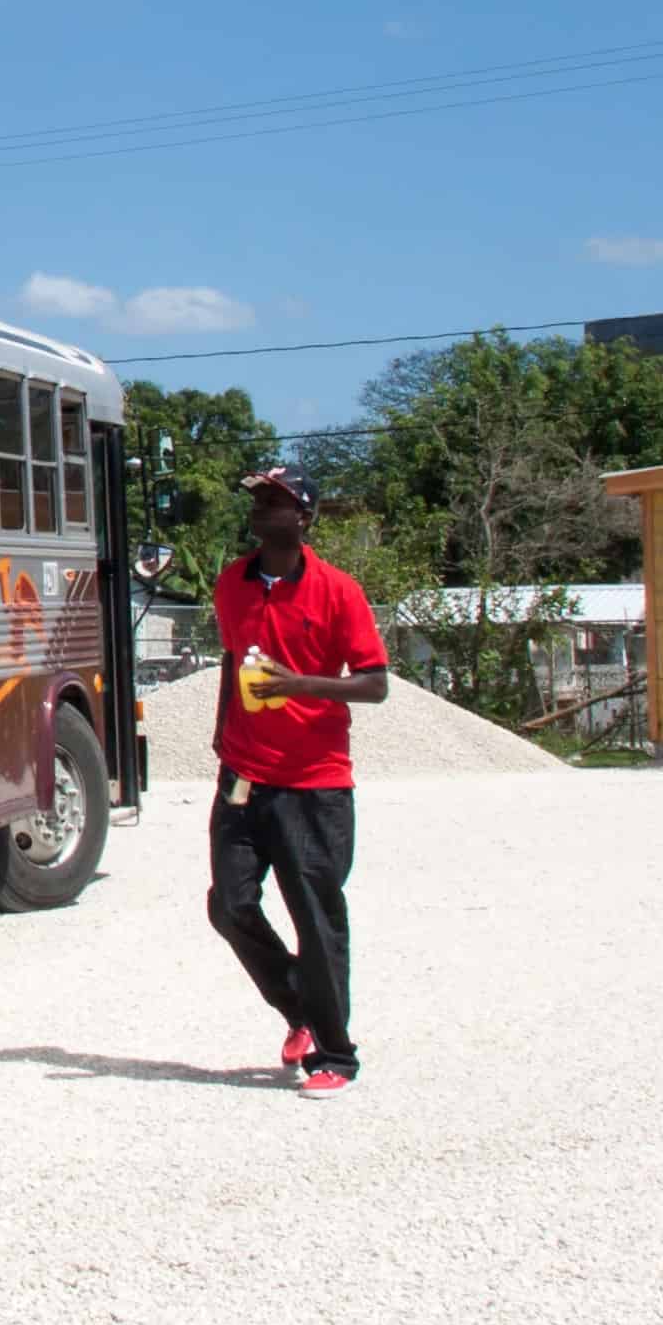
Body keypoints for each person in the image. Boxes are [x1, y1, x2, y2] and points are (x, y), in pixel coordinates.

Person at [207, 465, 389, 1095]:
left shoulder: (338, 592)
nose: (261, 508)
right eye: (257, 498)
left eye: (276, 501)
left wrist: (300, 685)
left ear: (304, 517)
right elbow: (233, 659)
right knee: (228, 906)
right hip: (242, 776)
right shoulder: (232, 583)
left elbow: (375, 684)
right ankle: (300, 1007)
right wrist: (221, 729)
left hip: (314, 784)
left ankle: (336, 1055)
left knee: (316, 915)